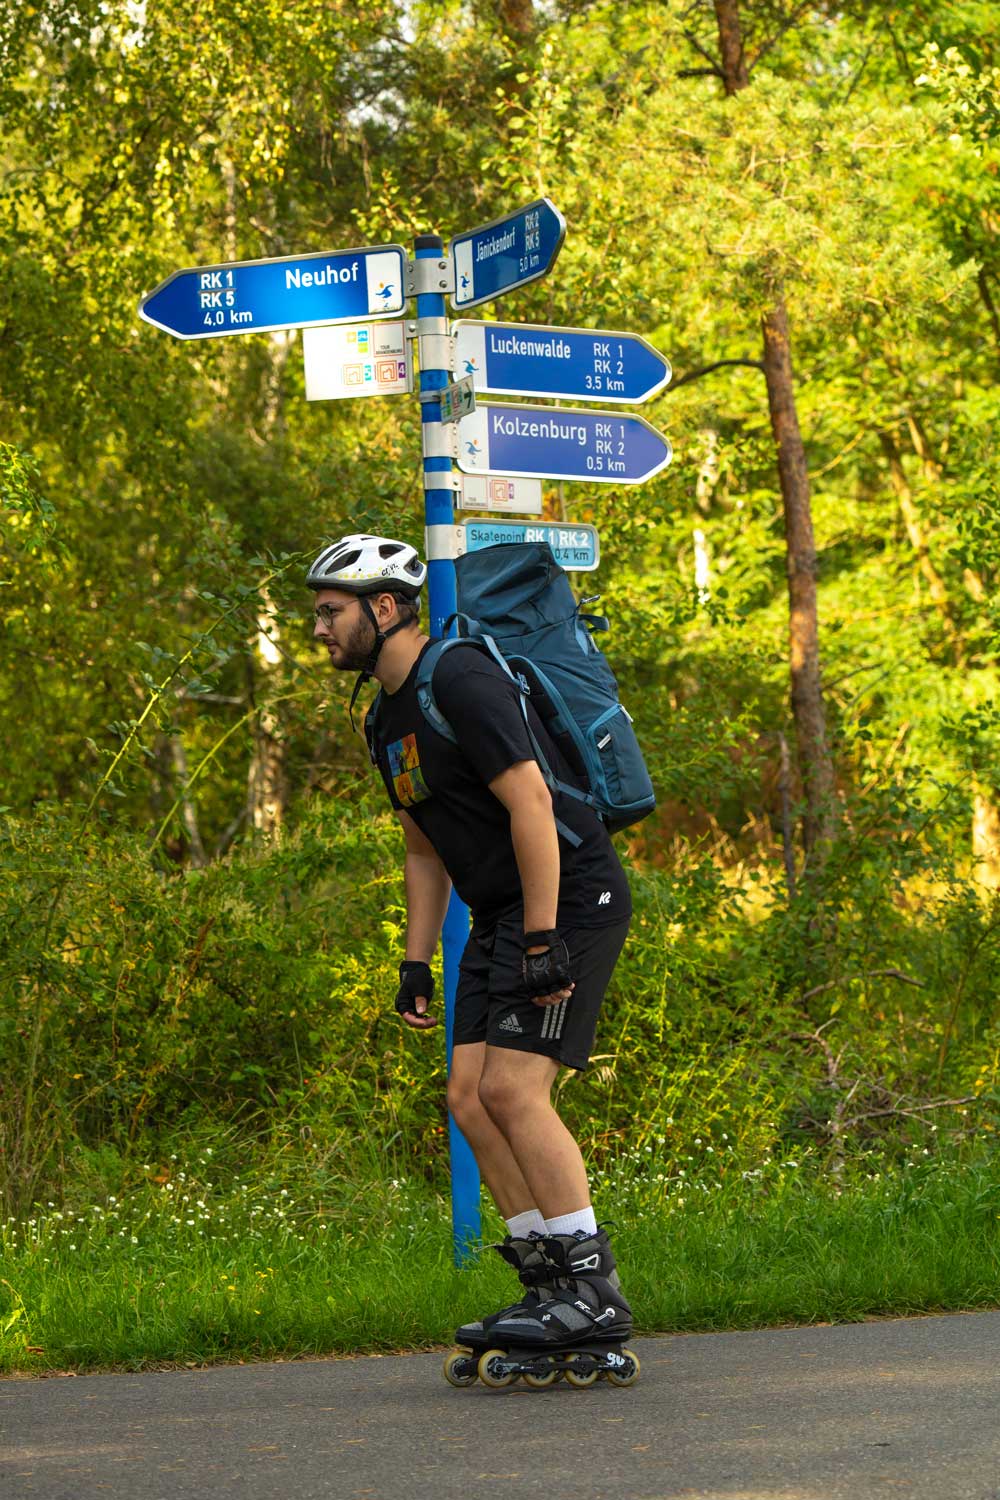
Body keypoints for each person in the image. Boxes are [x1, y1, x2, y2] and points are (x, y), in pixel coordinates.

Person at [308, 532, 635, 1371]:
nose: (318, 629)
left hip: (567, 896)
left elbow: (530, 801)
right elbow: (423, 844)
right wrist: (415, 960)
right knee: (467, 1098)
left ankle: (592, 1293)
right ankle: (546, 1283)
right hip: (499, 911)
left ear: (384, 609)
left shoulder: (459, 677)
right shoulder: (385, 717)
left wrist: (541, 937)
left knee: (515, 1091)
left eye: (329, 611)